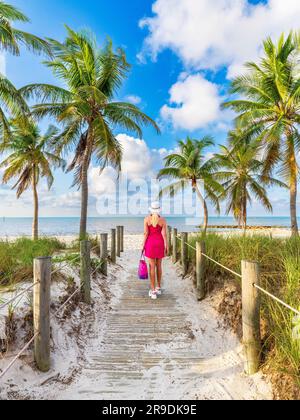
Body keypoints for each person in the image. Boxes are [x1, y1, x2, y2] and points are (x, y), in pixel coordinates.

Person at [142, 202, 168, 300]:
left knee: (152, 267)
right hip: (160, 243)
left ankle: (153, 291)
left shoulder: (146, 219)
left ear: (151, 210)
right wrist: (167, 245)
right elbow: (164, 234)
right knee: (159, 265)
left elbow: (146, 233)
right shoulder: (163, 220)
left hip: (150, 244)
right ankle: (158, 287)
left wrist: (143, 244)